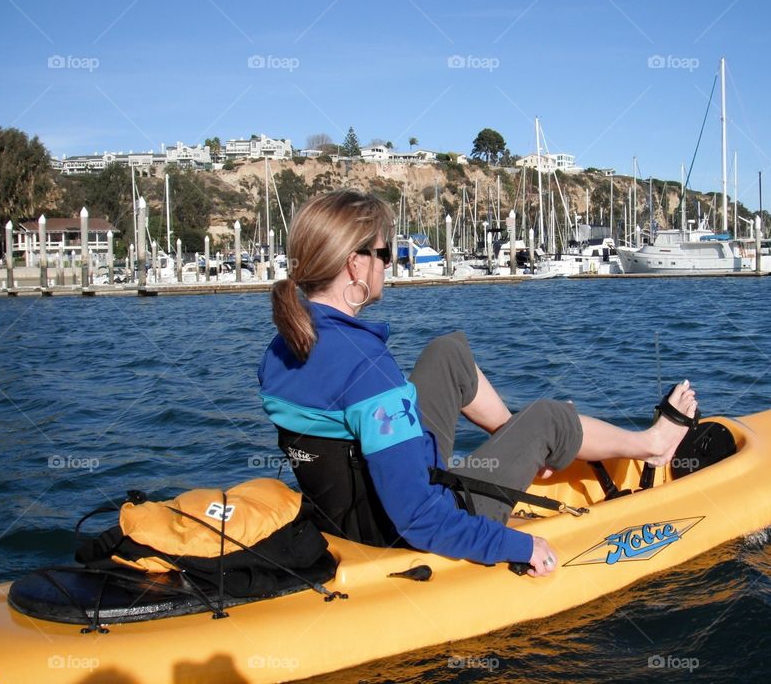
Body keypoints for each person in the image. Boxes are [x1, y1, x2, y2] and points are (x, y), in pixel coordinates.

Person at [258, 190, 697, 577]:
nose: (389, 264)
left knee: (448, 353)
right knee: (549, 417)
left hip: (352, 508)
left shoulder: (281, 347)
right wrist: (519, 545)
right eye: (384, 253)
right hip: (398, 527)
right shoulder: (367, 368)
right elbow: (416, 516)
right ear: (355, 264)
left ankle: (520, 448)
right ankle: (653, 445)